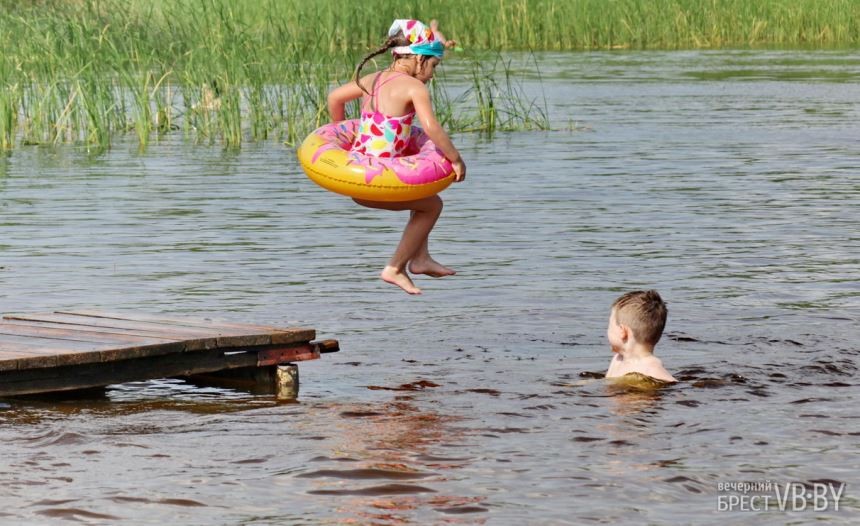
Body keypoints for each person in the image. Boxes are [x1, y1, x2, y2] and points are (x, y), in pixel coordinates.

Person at [327, 19, 466, 295]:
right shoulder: (414, 88)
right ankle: (395, 267)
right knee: (433, 205)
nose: (433, 75)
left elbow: (335, 98)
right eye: (434, 66)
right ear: (418, 58)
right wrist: (456, 158)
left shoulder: (371, 79)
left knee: (423, 193)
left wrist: (342, 130)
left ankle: (421, 259)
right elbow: (431, 127)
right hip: (377, 182)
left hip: (356, 179)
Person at [605, 290, 677, 383]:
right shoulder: (617, 359)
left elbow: (672, 383)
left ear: (623, 332)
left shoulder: (651, 369)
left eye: (610, 326)